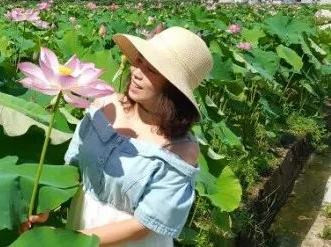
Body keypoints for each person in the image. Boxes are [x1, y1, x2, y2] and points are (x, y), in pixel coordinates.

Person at [20, 26, 213, 246]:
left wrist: (72, 242)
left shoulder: (181, 149)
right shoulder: (105, 106)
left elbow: (144, 224)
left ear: (174, 87)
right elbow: (74, 166)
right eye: (139, 61)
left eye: (151, 69)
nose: (136, 72)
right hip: (81, 224)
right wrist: (47, 204)